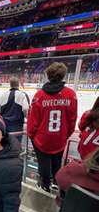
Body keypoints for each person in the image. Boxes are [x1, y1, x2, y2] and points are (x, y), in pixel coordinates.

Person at [27, 62, 77, 192]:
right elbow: (73, 119)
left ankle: (45, 184)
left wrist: (31, 135)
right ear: (63, 75)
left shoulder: (39, 95)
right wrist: (67, 134)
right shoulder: (71, 94)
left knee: (43, 163)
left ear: (48, 75)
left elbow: (33, 121)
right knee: (57, 161)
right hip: (60, 137)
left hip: (42, 139)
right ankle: (56, 182)